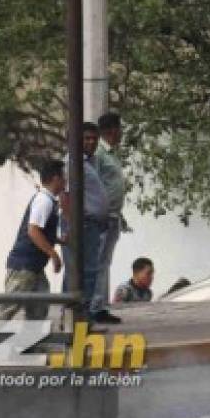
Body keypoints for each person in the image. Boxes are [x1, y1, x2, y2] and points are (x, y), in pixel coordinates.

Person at [62, 122, 121, 325]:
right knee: (82, 272)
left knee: (89, 271)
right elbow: (66, 196)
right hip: (82, 225)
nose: (91, 142)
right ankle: (78, 319)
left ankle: (78, 317)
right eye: (86, 138)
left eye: (94, 138)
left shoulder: (88, 162)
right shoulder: (73, 163)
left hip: (93, 225)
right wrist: (71, 226)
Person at [0, 160, 66, 321]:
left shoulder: (48, 200)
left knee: (39, 307)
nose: (66, 181)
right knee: (8, 308)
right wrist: (53, 253)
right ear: (56, 179)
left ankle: (32, 341)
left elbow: (41, 230)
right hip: (24, 266)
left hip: (34, 266)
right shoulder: (44, 201)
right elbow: (33, 231)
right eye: (64, 177)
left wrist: (58, 240)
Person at [94, 112, 127, 316]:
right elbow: (95, 185)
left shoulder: (111, 153)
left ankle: (100, 305)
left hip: (113, 216)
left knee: (105, 262)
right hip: (103, 218)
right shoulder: (98, 154)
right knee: (99, 263)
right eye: (119, 128)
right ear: (112, 130)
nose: (121, 133)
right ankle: (96, 306)